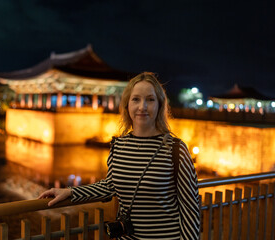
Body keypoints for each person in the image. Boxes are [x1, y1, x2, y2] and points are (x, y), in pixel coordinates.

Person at [38, 72, 200, 239]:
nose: (142, 107)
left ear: (159, 105)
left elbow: (190, 208)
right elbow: (109, 186)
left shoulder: (175, 149)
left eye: (150, 100)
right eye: (136, 99)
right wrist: (70, 192)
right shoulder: (119, 146)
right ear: (127, 105)